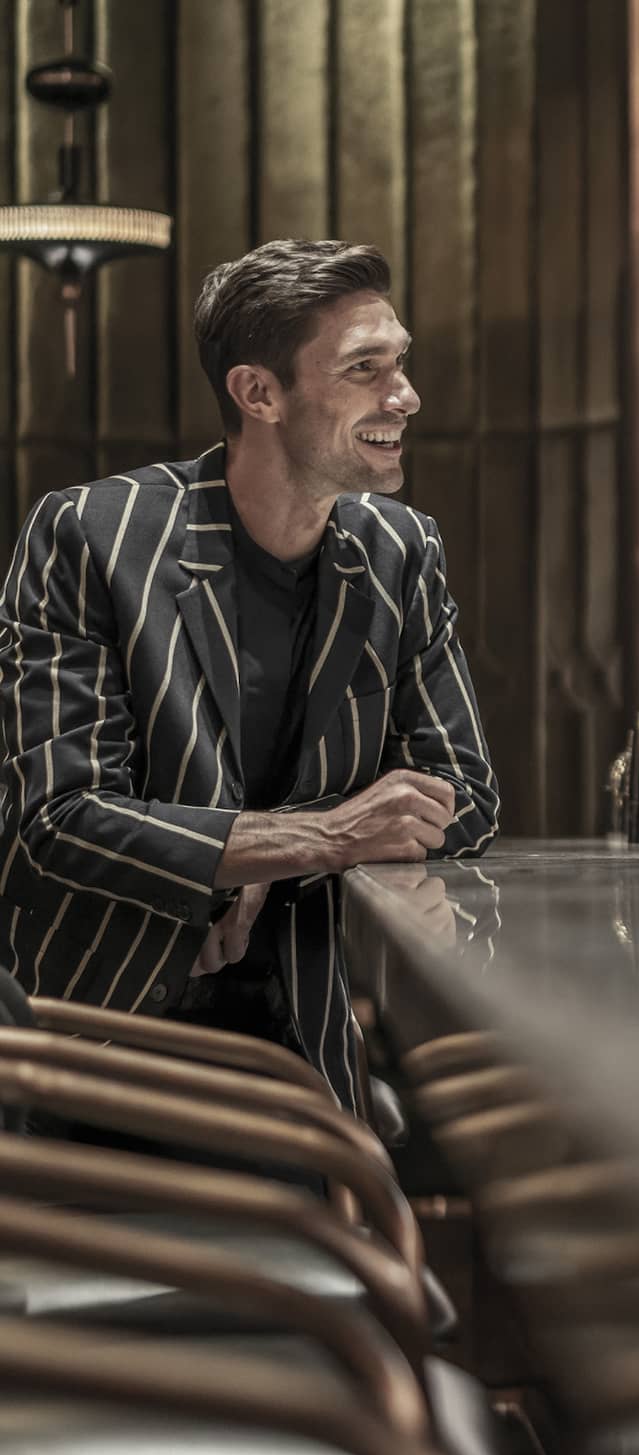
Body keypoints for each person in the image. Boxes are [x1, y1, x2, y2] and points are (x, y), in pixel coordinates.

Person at [0, 239, 498, 1111]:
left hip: (312, 1039)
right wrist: (328, 837)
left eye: (401, 362)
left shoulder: (400, 552)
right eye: (365, 368)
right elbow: (59, 817)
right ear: (258, 392)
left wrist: (262, 856)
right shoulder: (91, 537)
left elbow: (466, 795)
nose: (405, 395)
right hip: (94, 1054)